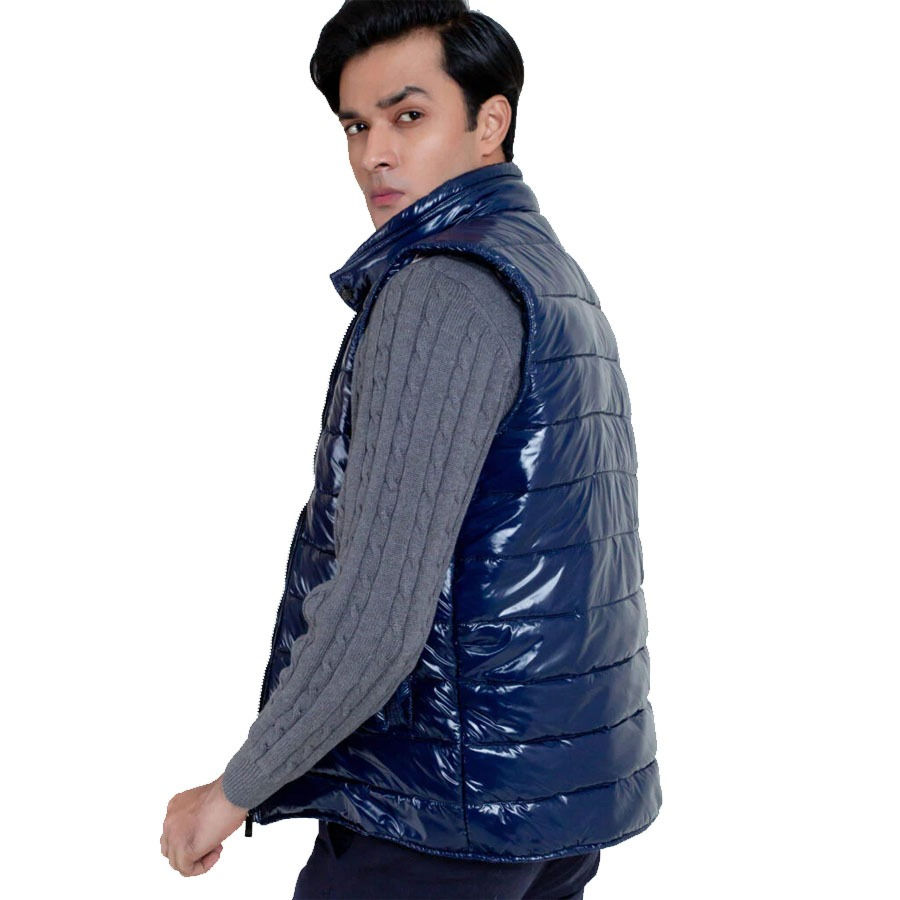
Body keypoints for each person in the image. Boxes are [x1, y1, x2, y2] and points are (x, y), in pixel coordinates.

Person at [160, 2, 662, 895]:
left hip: (436, 812)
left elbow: (379, 610)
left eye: (409, 115)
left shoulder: (444, 290)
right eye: (356, 125)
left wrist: (235, 792)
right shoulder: (548, 271)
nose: (374, 155)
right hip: (549, 805)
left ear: (490, 121)